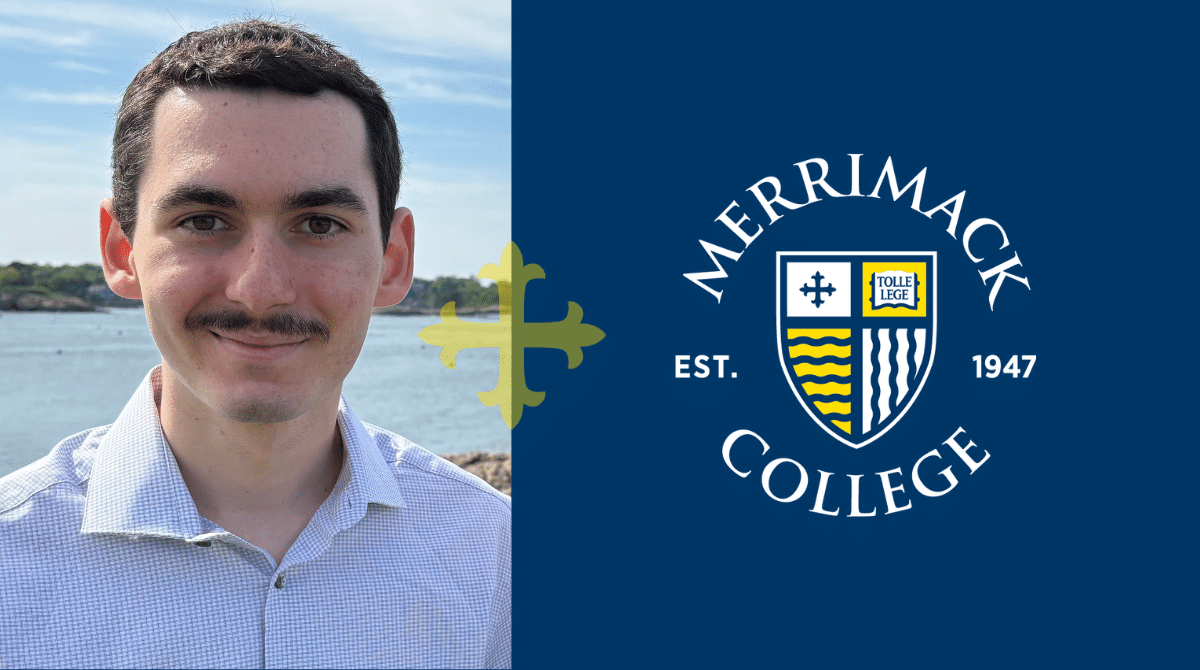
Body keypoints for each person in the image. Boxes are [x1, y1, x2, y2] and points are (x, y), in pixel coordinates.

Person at [0, 19, 511, 669]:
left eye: (320, 224)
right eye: (204, 221)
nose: (260, 289)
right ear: (121, 250)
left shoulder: (495, 558)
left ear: (392, 259)